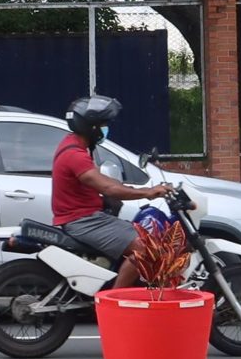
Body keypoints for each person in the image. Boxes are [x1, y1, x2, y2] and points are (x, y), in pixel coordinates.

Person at [51, 94, 169, 288]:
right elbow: (108, 188)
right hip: (84, 221)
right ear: (91, 127)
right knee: (146, 248)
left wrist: (131, 189)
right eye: (103, 124)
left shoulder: (75, 145)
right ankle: (113, 302)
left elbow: (103, 181)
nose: (106, 128)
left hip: (87, 216)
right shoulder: (75, 155)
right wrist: (149, 192)